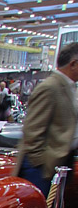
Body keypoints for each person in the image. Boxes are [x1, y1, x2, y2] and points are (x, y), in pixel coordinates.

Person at [14, 42, 78, 196]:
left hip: (60, 163)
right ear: (74, 64)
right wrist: (43, 164)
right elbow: (32, 129)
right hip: (43, 169)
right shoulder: (50, 87)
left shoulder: (69, 87)